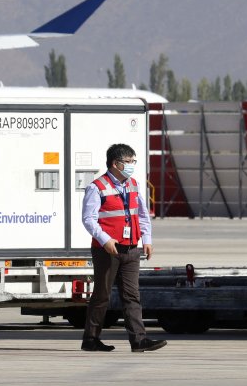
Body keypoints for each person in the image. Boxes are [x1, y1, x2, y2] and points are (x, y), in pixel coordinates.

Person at [80, 143, 167, 352]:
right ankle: (91, 339)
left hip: (131, 249)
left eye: (133, 161)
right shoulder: (97, 187)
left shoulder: (134, 185)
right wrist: (105, 239)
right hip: (108, 250)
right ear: (115, 164)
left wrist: (147, 239)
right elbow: (88, 219)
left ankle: (139, 340)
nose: (131, 165)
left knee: (132, 295)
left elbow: (143, 215)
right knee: (102, 295)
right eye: (128, 162)